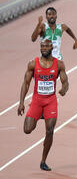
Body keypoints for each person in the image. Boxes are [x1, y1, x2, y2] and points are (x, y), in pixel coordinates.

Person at [17, 39, 69, 171]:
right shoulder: (33, 64)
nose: (44, 48)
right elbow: (26, 83)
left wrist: (64, 89)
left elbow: (65, 82)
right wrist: (21, 102)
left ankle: (43, 161)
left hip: (50, 101)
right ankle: (40, 115)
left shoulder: (59, 65)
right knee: (27, 129)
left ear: (52, 47)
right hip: (37, 101)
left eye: (46, 46)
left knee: (50, 130)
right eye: (42, 46)